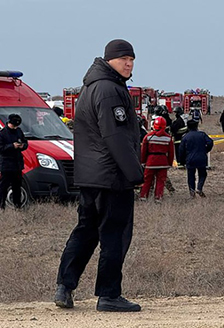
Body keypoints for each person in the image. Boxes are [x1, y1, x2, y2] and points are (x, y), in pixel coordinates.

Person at [55, 39, 143, 312]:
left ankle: (64, 287)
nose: (129, 64)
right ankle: (109, 295)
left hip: (90, 175)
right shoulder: (110, 90)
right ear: (110, 60)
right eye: (124, 59)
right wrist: (135, 174)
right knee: (114, 235)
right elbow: (115, 136)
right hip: (112, 177)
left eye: (132, 59)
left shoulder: (90, 87)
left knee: (85, 231)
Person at [140, 116, 174, 203]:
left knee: (147, 180)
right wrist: (169, 163)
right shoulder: (168, 138)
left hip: (150, 161)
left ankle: (143, 196)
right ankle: (158, 198)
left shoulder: (148, 137)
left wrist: (143, 162)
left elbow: (143, 151)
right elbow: (171, 153)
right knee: (161, 181)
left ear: (154, 126)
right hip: (163, 162)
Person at [179, 119, 213, 198]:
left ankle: (192, 192)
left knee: (191, 176)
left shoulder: (185, 137)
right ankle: (199, 188)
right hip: (201, 158)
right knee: (203, 174)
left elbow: (181, 150)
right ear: (197, 126)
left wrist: (181, 161)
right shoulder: (202, 134)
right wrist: (206, 150)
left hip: (190, 159)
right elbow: (210, 142)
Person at [0, 114, 28, 209]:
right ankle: (1, 205)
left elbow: (25, 142)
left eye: (17, 126)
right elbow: (1, 148)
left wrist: (22, 146)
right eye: (13, 125)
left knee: (17, 186)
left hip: (17, 164)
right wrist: (12, 146)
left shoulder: (19, 131)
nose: (15, 127)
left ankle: (18, 205)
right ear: (9, 123)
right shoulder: (2, 133)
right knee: (3, 186)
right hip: (7, 164)